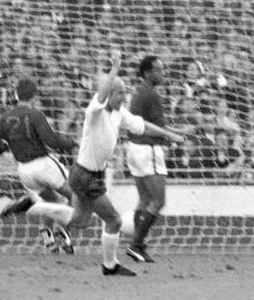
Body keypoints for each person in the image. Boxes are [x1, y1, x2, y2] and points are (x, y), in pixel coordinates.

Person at [66, 48, 186, 277]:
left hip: (88, 174)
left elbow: (143, 125)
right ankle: (110, 265)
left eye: (124, 92)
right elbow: (100, 95)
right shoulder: (95, 112)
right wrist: (115, 68)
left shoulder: (119, 113)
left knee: (80, 221)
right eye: (120, 92)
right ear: (109, 94)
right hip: (85, 175)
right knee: (114, 220)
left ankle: (40, 213)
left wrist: (170, 135)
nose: (124, 96)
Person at [0, 75, 77, 254]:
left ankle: (49, 242)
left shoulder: (5, 118)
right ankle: (63, 233)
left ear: (16, 95)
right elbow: (51, 140)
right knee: (76, 197)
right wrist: (71, 143)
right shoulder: (35, 114)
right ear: (34, 96)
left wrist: (3, 147)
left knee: (51, 202)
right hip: (43, 165)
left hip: (24, 171)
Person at [124, 54, 170, 263]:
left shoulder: (138, 93)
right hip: (147, 150)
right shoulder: (152, 95)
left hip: (133, 149)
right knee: (158, 201)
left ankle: (137, 244)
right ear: (148, 73)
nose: (163, 73)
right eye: (159, 70)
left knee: (143, 199)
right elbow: (159, 129)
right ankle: (136, 244)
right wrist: (175, 136)